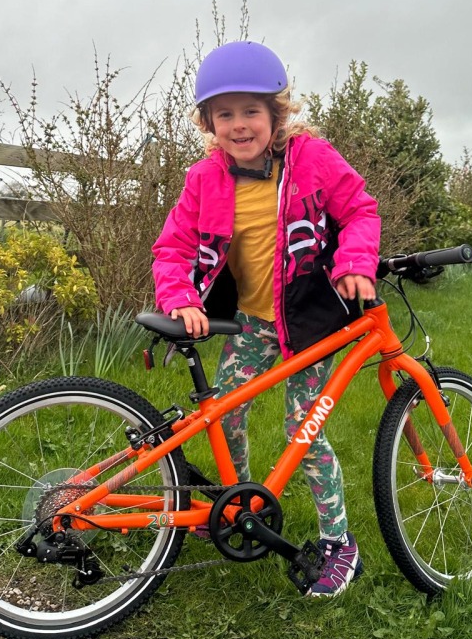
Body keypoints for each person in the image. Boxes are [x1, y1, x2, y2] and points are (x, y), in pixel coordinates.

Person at [151, 40, 381, 596]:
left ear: (276, 115)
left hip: (308, 323)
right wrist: (180, 295)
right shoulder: (204, 178)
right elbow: (172, 248)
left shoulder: (312, 159)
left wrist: (354, 261)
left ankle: (338, 540)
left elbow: (360, 210)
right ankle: (243, 504)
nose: (238, 125)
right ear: (208, 122)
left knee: (304, 430)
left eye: (251, 111)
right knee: (224, 415)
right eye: (224, 114)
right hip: (252, 324)